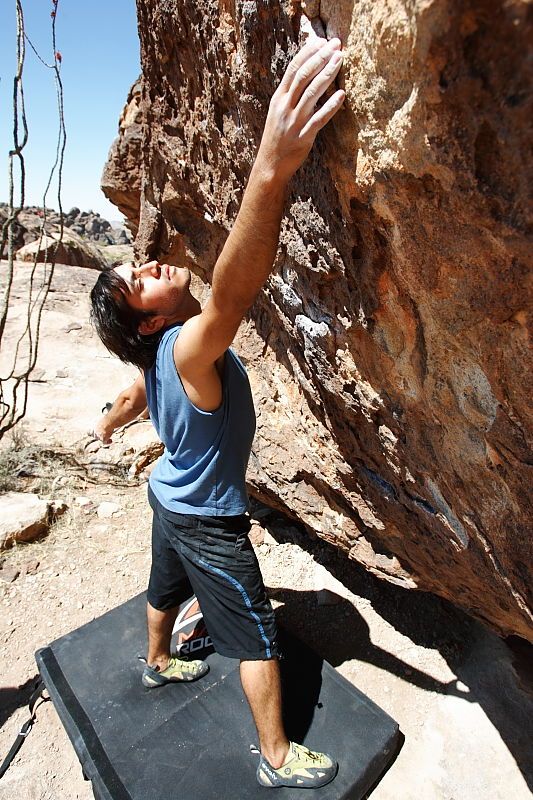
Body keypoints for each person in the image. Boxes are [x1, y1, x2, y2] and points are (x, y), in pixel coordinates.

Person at [89, 36, 345, 790]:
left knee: (164, 588)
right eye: (139, 281)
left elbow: (136, 394)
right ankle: (274, 757)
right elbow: (233, 292)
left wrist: (108, 422)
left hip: (167, 498)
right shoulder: (188, 348)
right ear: (148, 323)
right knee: (256, 632)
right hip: (205, 517)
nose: (149, 265)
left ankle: (159, 663)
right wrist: (272, 163)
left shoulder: (152, 361)